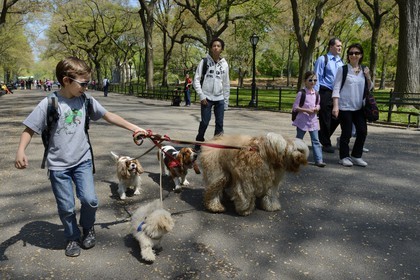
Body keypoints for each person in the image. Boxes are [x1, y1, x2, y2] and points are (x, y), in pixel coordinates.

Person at [14, 57, 148, 257]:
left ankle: (88, 227)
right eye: (83, 83)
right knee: (66, 206)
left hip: (82, 161)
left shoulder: (86, 100)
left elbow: (108, 115)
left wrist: (135, 128)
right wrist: (20, 150)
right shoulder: (49, 103)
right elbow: (29, 129)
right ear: (66, 80)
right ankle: (71, 237)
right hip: (58, 166)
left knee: (90, 200)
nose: (86, 87)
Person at [332, 43, 372, 167]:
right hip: (345, 107)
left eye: (356, 53)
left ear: (361, 55)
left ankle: (356, 155)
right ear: (348, 55)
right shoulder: (343, 69)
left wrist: (368, 76)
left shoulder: (364, 69)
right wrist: (335, 106)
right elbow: (336, 88)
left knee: (362, 131)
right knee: (347, 133)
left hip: (359, 107)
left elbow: (369, 87)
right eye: (351, 53)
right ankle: (344, 157)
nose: (353, 55)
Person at [193, 37, 230, 151]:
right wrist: (202, 95)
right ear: (210, 48)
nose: (216, 48)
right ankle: (199, 140)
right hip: (207, 97)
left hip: (219, 98)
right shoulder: (204, 62)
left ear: (222, 49)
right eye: (214, 46)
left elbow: (226, 83)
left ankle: (216, 145)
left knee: (219, 124)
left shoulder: (224, 64)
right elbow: (196, 80)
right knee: (205, 121)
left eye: (218, 46)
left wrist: (226, 102)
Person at [314, 37, 344, 153]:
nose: (340, 48)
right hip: (325, 92)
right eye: (338, 46)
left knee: (337, 117)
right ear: (331, 47)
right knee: (325, 118)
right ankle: (326, 143)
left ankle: (321, 135)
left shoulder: (340, 61)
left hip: (337, 93)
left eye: (340, 46)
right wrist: (316, 96)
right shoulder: (323, 59)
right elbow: (317, 76)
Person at [292, 71, 325, 167]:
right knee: (299, 140)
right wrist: (306, 110)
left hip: (313, 121)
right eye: (310, 80)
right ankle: (295, 159)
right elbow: (295, 107)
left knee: (316, 140)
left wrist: (317, 108)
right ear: (305, 81)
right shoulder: (301, 93)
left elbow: (318, 104)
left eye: (315, 80)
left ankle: (319, 160)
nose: (313, 82)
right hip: (302, 121)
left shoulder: (317, 94)